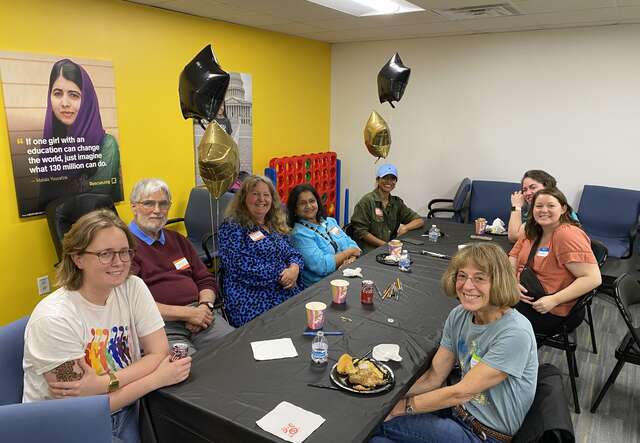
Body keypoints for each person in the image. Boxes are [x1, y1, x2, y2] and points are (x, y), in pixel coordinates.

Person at [23, 209, 191, 443]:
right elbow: (79, 404)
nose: (119, 263)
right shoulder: (53, 320)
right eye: (105, 254)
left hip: (130, 406)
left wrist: (103, 383)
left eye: (124, 252)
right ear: (77, 258)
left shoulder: (133, 288)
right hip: (69, 426)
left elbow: (158, 351)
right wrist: (155, 379)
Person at [371, 243, 538, 443]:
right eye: (462, 276)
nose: (467, 286)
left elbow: (461, 392)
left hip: (484, 435)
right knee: (374, 430)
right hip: (457, 414)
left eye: (479, 278)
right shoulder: (459, 315)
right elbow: (434, 377)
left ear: (499, 282)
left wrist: (401, 407)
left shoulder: (515, 333)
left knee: (375, 427)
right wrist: (384, 399)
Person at [128, 179, 234, 355]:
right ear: (133, 207)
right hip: (159, 325)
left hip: (201, 314)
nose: (157, 210)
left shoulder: (177, 239)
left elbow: (205, 279)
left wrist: (205, 307)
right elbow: (133, 304)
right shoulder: (124, 248)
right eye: (148, 203)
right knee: (189, 370)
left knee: (236, 348)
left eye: (163, 204)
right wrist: (187, 314)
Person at [509, 187, 601, 336]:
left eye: (551, 205)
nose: (543, 210)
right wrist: (512, 282)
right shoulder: (533, 230)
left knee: (488, 313)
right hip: (522, 296)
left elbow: (593, 278)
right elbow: (513, 257)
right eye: (538, 206)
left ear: (563, 209)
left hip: (550, 309)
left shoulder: (566, 235)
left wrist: (553, 300)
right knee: (481, 299)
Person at [218, 175, 304, 327]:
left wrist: (294, 268)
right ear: (244, 197)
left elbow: (292, 253)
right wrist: (284, 274)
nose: (261, 199)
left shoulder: (273, 224)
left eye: (266, 195)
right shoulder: (232, 226)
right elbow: (241, 267)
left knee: (306, 320)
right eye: (255, 194)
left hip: (284, 287)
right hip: (251, 297)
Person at [38, 58, 122, 210]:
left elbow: (95, 203)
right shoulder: (49, 147)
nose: (64, 103)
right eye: (57, 93)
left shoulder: (107, 145)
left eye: (74, 95)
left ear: (87, 100)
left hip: (96, 227)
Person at [287, 184, 361, 287]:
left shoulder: (330, 222)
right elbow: (322, 266)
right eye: (303, 203)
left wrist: (352, 258)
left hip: (347, 275)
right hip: (322, 287)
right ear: (295, 209)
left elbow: (351, 243)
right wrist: (350, 252)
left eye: (312, 201)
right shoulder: (299, 234)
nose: (309, 206)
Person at [350, 164, 424, 254]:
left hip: (391, 248)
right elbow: (361, 231)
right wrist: (385, 245)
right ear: (378, 180)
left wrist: (405, 228)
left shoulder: (397, 202)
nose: (389, 182)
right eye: (385, 178)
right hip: (369, 251)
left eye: (392, 179)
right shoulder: (367, 201)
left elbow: (419, 220)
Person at [508, 170, 557, 242]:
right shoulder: (530, 208)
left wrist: (516, 206)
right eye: (524, 190)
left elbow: (514, 237)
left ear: (547, 187)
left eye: (533, 187)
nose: (527, 193)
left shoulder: (550, 209)